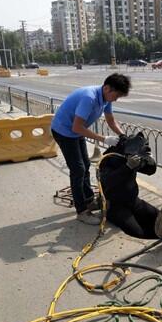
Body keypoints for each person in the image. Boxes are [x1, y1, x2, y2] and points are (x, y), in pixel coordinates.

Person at [51, 73, 131, 225]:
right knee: (78, 170)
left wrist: (122, 135)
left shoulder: (106, 98)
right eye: (116, 95)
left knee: (86, 165)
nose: (116, 99)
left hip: (76, 131)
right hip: (64, 131)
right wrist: (104, 139)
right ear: (107, 88)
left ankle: (88, 200)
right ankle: (81, 211)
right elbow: (76, 126)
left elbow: (110, 120)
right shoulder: (89, 98)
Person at [99, 132, 159, 239]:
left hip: (133, 200)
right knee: (138, 233)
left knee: (159, 217)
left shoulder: (133, 156)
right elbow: (108, 182)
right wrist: (127, 167)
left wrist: (149, 160)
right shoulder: (108, 160)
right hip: (115, 206)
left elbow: (150, 170)